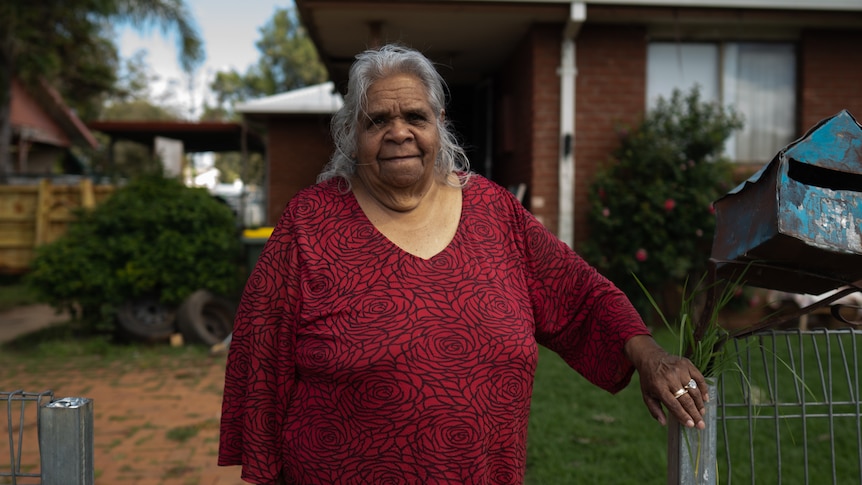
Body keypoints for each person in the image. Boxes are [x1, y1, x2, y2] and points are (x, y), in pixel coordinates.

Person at [218, 43, 709, 485]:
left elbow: (579, 293)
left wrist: (649, 355)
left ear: (439, 123)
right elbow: (261, 356)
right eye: (376, 121)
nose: (398, 133)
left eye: (415, 115)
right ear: (351, 133)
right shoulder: (310, 223)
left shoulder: (495, 212)